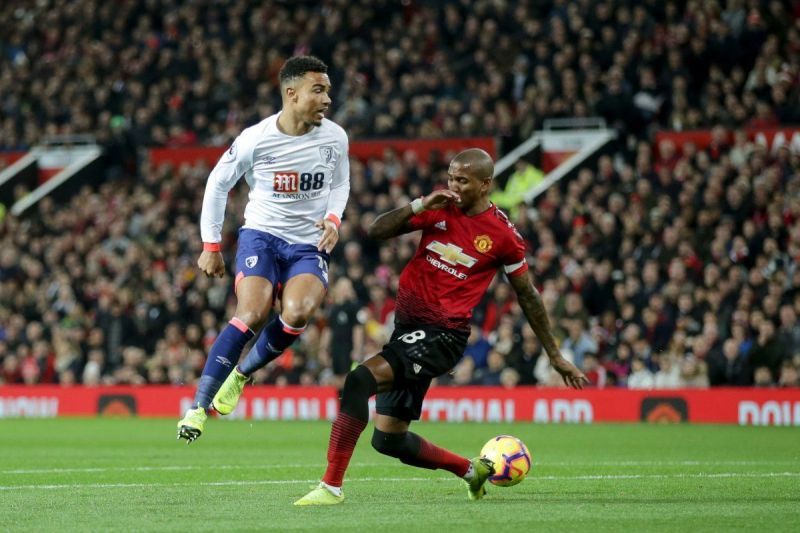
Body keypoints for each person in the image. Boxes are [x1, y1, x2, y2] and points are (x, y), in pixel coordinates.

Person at [289, 148, 588, 504]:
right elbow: (375, 230)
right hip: (407, 330)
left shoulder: (503, 235)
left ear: (485, 184)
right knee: (388, 440)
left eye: (462, 180)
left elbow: (528, 296)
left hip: (443, 335)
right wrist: (419, 206)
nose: (453, 186)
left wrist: (554, 354)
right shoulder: (438, 208)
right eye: (450, 178)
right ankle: (471, 470)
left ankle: (331, 487)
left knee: (358, 380)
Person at [177, 55, 350, 443]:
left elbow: (341, 183)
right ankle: (198, 407)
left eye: (328, 91)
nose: (327, 99)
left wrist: (334, 219)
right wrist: (211, 245)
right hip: (261, 235)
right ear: (291, 94)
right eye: (317, 90)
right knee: (252, 313)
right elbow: (218, 183)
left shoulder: (335, 137)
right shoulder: (256, 138)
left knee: (299, 312)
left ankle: (240, 376)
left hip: (308, 242)